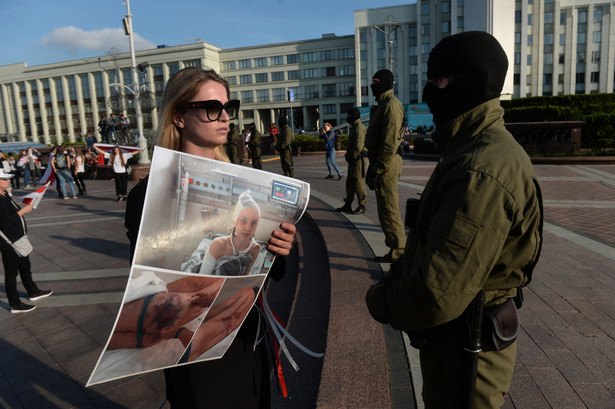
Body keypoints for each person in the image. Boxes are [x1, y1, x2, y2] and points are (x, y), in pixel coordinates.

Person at [365, 31, 544, 409]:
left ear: (472, 82)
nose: (430, 92)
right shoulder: (469, 149)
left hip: (467, 351)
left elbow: (435, 295)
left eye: (439, 80)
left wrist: (380, 298)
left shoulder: (480, 168)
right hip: (459, 342)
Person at [124, 67, 296, 408]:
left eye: (227, 107)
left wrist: (281, 249)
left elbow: (273, 274)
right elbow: (146, 281)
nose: (224, 118)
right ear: (178, 117)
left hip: (245, 334)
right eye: (211, 107)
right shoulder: (148, 195)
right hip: (194, 341)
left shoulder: (250, 185)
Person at [364, 69, 406, 263]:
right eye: (372, 82)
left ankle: (399, 254)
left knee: (389, 210)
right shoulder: (382, 104)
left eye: (377, 82)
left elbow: (389, 143)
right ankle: (394, 249)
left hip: (386, 164)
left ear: (386, 83)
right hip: (382, 162)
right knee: (384, 210)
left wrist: (377, 169)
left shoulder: (391, 105)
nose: (373, 85)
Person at [0, 169, 52, 313]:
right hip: (9, 242)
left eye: (8, 178)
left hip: (17, 239)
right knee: (11, 274)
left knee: (25, 267)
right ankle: (15, 304)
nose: (8, 181)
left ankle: (33, 291)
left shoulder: (4, 195)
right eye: (4, 179)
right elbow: (4, 222)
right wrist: (23, 211)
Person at [182, 190, 265, 276]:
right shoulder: (218, 244)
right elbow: (202, 277)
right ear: (235, 221)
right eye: (243, 220)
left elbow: (244, 277)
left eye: (254, 223)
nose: (248, 228)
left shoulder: (255, 248)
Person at [337, 108, 367, 214]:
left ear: (352, 116)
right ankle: (348, 204)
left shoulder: (359, 128)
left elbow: (358, 147)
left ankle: (362, 205)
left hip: (358, 160)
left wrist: (351, 156)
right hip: (353, 160)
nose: (347, 118)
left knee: (358, 182)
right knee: (350, 182)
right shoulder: (355, 127)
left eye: (349, 116)